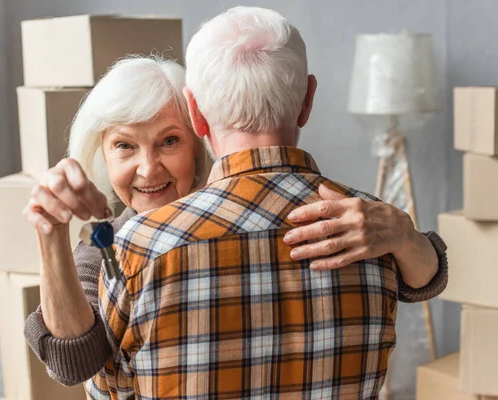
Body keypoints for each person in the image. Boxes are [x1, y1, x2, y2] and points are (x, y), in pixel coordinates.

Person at [85, 7, 447, 399]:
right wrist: (407, 236)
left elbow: (109, 391)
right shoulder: (369, 226)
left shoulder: (138, 246)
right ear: (308, 99)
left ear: (196, 114)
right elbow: (428, 277)